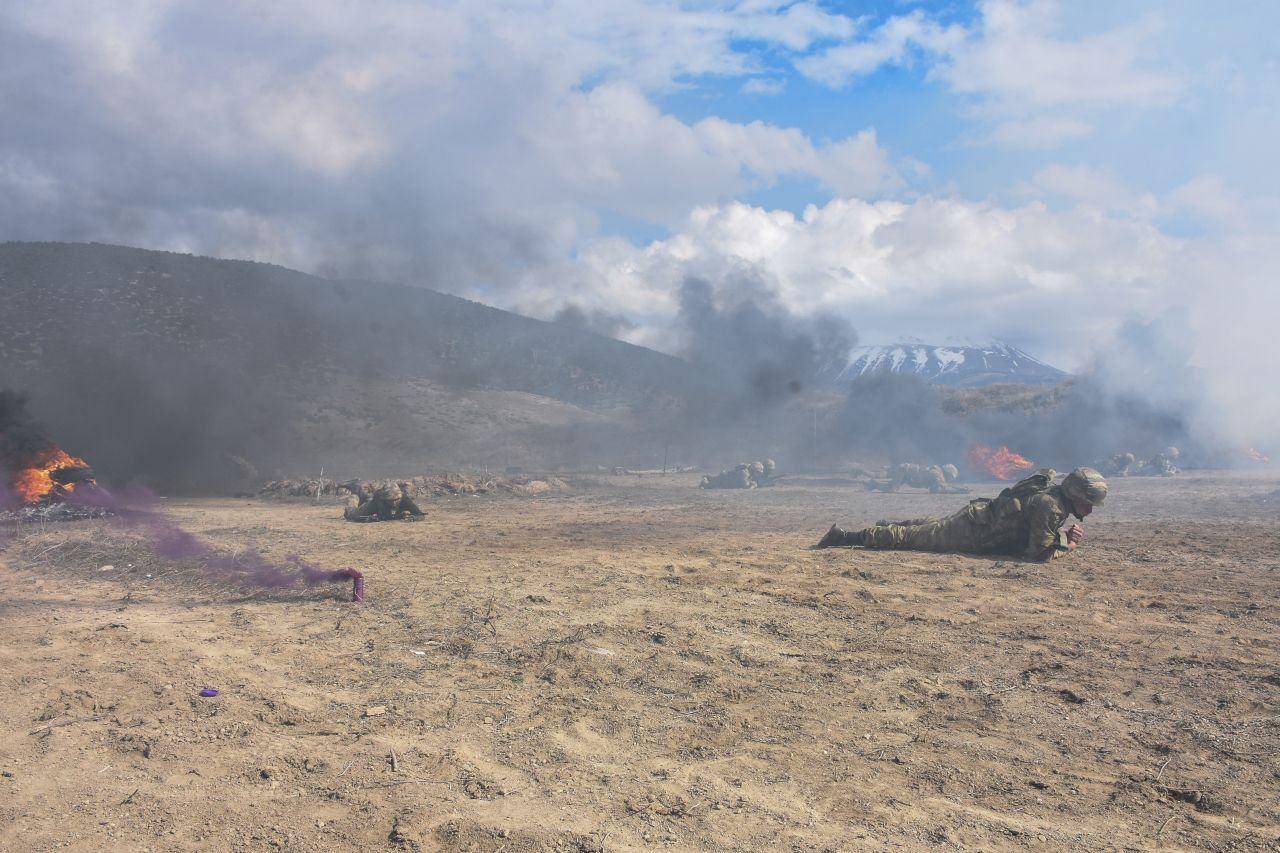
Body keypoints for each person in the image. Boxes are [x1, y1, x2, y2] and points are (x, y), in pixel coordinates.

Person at [813, 467, 1107, 562]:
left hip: (978, 521)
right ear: (1076, 495)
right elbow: (1038, 553)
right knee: (913, 538)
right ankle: (844, 536)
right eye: (1089, 502)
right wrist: (1068, 545)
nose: (1091, 509)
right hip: (975, 533)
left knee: (927, 528)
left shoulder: (1054, 499)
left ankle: (887, 525)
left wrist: (1061, 536)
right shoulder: (1051, 506)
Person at [343, 482, 425, 522]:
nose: (393, 503)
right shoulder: (379, 499)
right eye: (390, 500)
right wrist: (369, 518)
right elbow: (386, 517)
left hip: (374, 499)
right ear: (384, 499)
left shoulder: (404, 499)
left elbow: (420, 515)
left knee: (367, 497)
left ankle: (358, 489)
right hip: (372, 504)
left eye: (396, 500)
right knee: (351, 514)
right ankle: (353, 499)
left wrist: (413, 518)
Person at [867, 462, 969, 494]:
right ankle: (873, 484)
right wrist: (959, 491)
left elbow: (936, 490)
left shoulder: (938, 472)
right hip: (905, 472)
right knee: (892, 489)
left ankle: (873, 483)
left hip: (906, 472)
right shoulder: (938, 474)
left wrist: (958, 489)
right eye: (951, 477)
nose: (951, 479)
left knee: (891, 486)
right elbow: (944, 488)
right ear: (948, 474)